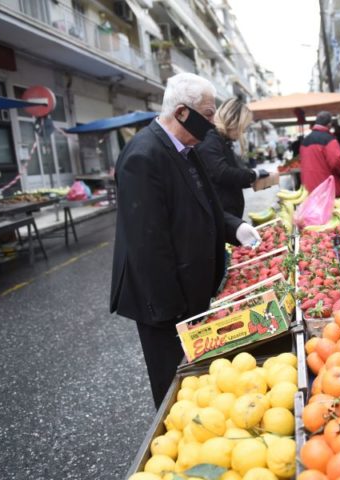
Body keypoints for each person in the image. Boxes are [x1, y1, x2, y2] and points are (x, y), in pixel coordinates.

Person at [110, 73, 262, 408]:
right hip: (163, 302)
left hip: (189, 294)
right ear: (182, 112)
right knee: (174, 389)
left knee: (196, 383)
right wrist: (175, 313)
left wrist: (234, 227)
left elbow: (206, 205)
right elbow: (148, 245)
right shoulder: (143, 156)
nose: (213, 122)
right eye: (208, 114)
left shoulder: (185, 149)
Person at [195, 98, 268, 218]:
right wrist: (254, 175)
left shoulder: (222, 140)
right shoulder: (211, 139)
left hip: (228, 214)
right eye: (244, 126)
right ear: (234, 121)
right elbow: (222, 173)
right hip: (220, 216)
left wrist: (255, 180)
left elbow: (231, 177)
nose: (243, 131)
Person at [299, 111, 340, 197]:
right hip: (327, 188)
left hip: (308, 189)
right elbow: (336, 162)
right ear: (329, 124)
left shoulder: (304, 141)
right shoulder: (329, 139)